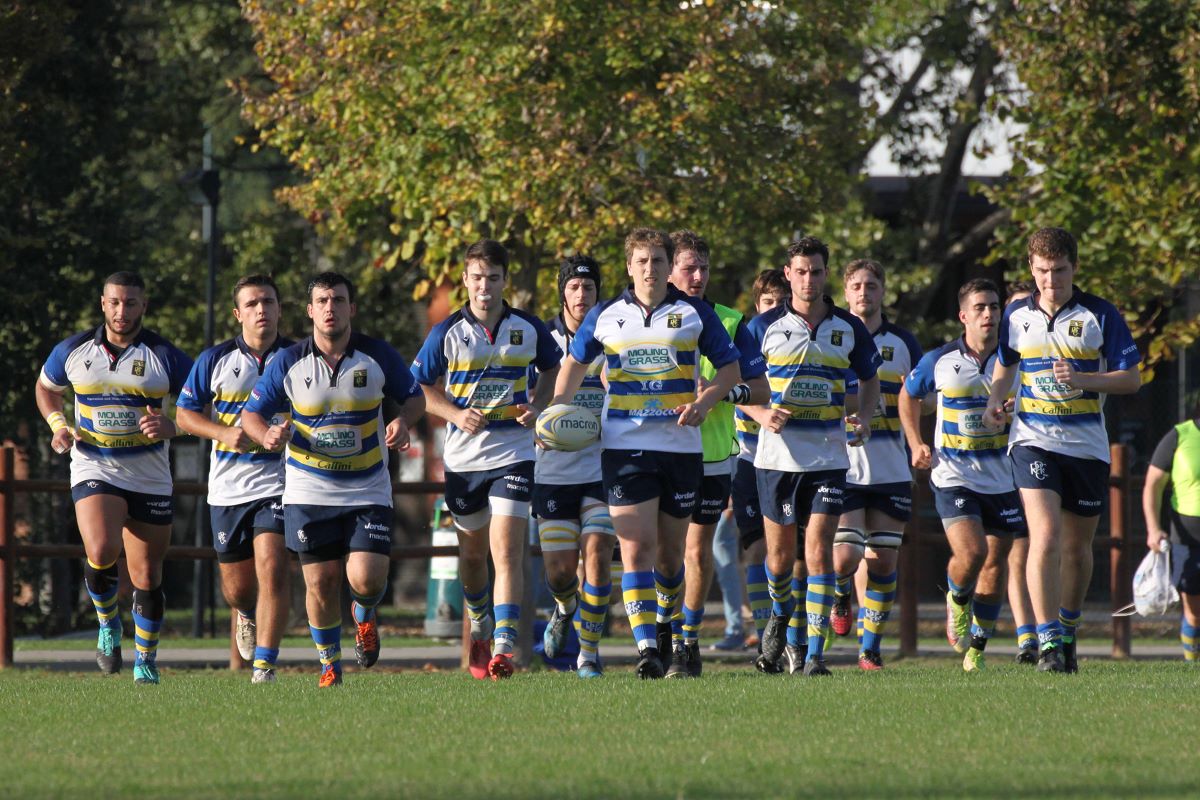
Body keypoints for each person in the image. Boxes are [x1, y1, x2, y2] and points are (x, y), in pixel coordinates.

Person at [550, 227, 742, 679]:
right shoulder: (606, 315)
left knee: (671, 558)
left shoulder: (694, 313)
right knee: (635, 549)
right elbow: (573, 367)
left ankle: (663, 626)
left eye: (658, 260)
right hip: (625, 448)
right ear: (629, 267)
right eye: (642, 261)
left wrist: (704, 402)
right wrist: (555, 415)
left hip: (681, 450)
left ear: (666, 265)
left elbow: (731, 368)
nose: (650, 269)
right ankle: (647, 651)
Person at [242, 271, 425, 687]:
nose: (330, 308)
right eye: (322, 301)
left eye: (338, 300)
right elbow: (250, 415)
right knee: (321, 585)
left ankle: (364, 613)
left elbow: (414, 397)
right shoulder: (288, 361)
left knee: (366, 578)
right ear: (310, 311)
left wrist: (402, 420)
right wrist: (265, 434)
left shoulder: (377, 355)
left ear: (351, 309)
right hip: (309, 489)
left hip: (367, 488)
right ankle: (329, 664)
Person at [985, 227, 1141, 673]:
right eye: (1042, 272)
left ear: (1074, 267)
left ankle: (1068, 630)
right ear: (1031, 270)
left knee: (1077, 548)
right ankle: (1048, 639)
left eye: (1059, 271)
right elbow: (1005, 364)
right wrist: (997, 399)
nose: (1050, 281)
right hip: (1032, 441)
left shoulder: (1100, 315)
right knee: (1045, 535)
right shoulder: (1016, 315)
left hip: (1086, 445)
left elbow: (1132, 379)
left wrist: (1083, 379)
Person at [412, 240, 562, 680]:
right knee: (474, 558)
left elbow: (553, 369)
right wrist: (455, 413)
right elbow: (418, 387)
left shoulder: (528, 328)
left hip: (515, 453)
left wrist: (538, 405)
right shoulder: (446, 332)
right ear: (465, 280)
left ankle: (503, 646)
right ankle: (479, 617)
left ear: (504, 281)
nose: (484, 287)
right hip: (463, 460)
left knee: (507, 549)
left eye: (493, 278)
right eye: (477, 278)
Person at [35, 271, 193, 684]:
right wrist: (57, 425)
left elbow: (202, 408)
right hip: (95, 465)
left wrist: (173, 427)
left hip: (150, 476)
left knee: (146, 576)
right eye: (115, 302)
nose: (122, 311)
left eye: (131, 303)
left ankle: (146, 660)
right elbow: (45, 388)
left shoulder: (166, 356)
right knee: (102, 548)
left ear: (144, 305)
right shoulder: (74, 350)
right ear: (103, 303)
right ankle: (108, 625)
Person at [749, 237, 881, 675]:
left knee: (819, 550)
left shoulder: (849, 328)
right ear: (787, 275)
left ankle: (814, 655)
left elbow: (869, 380)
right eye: (801, 271)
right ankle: (781, 619)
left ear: (827, 274)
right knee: (781, 559)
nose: (809, 279)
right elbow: (740, 384)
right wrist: (761, 412)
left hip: (828, 458)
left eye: (817, 271)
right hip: (776, 460)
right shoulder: (761, 326)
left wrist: (862, 417)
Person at [900, 278, 1026, 672]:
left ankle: (978, 647)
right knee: (973, 552)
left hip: (1002, 476)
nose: (988, 314)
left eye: (994, 307)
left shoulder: (1016, 362)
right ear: (963, 316)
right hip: (952, 474)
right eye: (980, 308)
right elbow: (908, 395)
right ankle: (956, 599)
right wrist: (916, 442)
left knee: (995, 563)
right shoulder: (939, 360)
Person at [176, 274, 293, 683]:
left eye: (269, 302)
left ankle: (265, 664)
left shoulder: (299, 357)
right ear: (238, 313)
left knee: (273, 565)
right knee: (239, 590)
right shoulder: (215, 359)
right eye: (253, 303)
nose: (262, 310)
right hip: (227, 489)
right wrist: (223, 432)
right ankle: (245, 613)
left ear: (280, 309)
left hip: (280, 484)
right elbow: (184, 414)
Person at [663, 230, 768, 677]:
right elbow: (610, 373)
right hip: (655, 451)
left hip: (710, 455)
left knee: (695, 551)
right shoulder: (640, 316)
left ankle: (686, 642)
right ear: (668, 269)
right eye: (689, 267)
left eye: (703, 267)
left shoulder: (728, 321)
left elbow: (760, 387)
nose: (698, 276)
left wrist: (723, 395)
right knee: (659, 552)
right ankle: (659, 635)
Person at [830, 259, 922, 670]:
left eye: (871, 284)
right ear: (846, 292)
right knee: (846, 555)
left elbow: (923, 396)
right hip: (843, 465)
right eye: (856, 285)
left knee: (884, 561)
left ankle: (871, 647)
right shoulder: (832, 336)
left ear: (882, 290)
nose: (863, 292)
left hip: (890, 466)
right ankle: (839, 593)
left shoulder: (903, 344)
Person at [533, 255, 616, 678]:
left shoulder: (615, 333)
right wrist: (533, 418)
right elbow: (528, 398)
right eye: (574, 288)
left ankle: (588, 653)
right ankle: (565, 608)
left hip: (603, 468)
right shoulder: (542, 340)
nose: (582, 295)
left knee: (599, 553)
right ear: (562, 292)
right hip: (553, 471)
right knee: (561, 572)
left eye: (589, 287)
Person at [723, 268, 790, 663]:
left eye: (780, 303)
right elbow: (737, 389)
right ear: (756, 305)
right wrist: (761, 412)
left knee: (789, 554)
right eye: (767, 303)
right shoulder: (745, 338)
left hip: (789, 456)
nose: (774, 310)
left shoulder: (797, 337)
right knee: (757, 549)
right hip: (748, 455)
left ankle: (790, 636)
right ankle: (767, 636)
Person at [1142, 410, 1200, 662]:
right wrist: (1153, 529)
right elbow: (1153, 485)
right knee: (1194, 610)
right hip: (1188, 537)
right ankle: (1191, 661)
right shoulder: (1180, 435)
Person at [1003, 280, 1039, 664]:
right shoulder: (999, 362)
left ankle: (1041, 632)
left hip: (1032, 456)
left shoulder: (1041, 353)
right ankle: (1026, 634)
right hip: (996, 467)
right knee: (1013, 552)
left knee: (1040, 544)